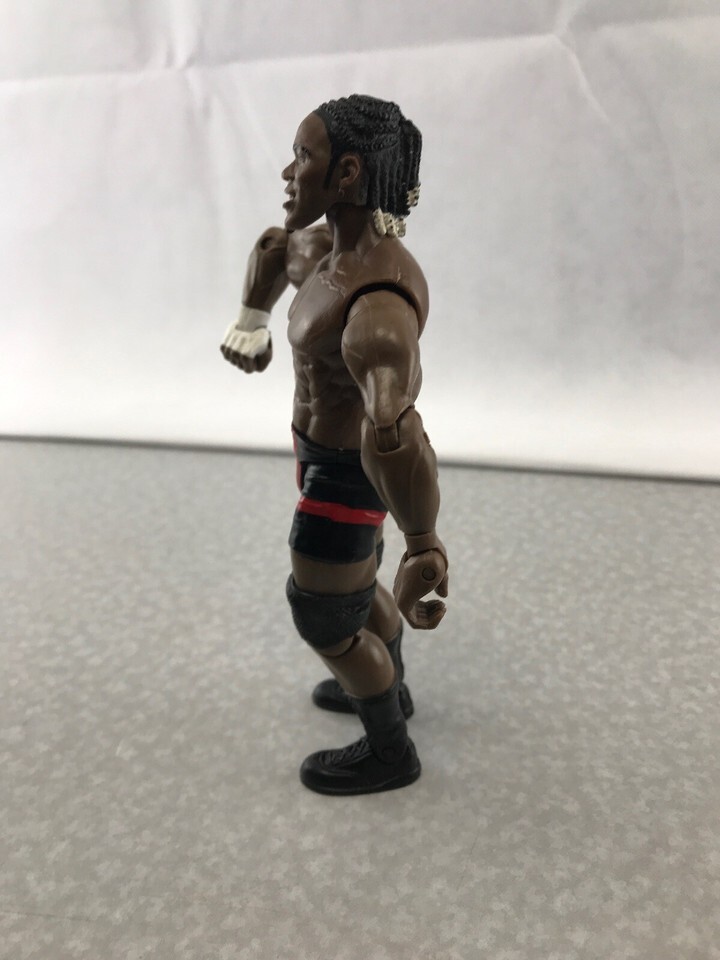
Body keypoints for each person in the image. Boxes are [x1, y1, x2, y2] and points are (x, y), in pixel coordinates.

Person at [220, 94, 448, 795]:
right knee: (356, 583)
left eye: (303, 156)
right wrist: (251, 321)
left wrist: (424, 543)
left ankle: (389, 749)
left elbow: (396, 433)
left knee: (323, 617)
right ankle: (390, 684)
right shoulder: (326, 252)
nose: (289, 172)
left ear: (347, 173)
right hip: (322, 459)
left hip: (348, 477)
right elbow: (274, 249)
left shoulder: (376, 310)